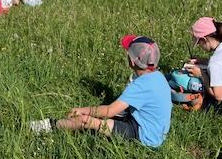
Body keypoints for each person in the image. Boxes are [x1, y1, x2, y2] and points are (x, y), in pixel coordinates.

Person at [30, 35, 172, 148]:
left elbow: (109, 111)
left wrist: (83, 110)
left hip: (143, 135)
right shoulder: (158, 77)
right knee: (114, 115)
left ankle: (47, 126)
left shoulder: (140, 86)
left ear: (132, 61)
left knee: (86, 121)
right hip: (156, 131)